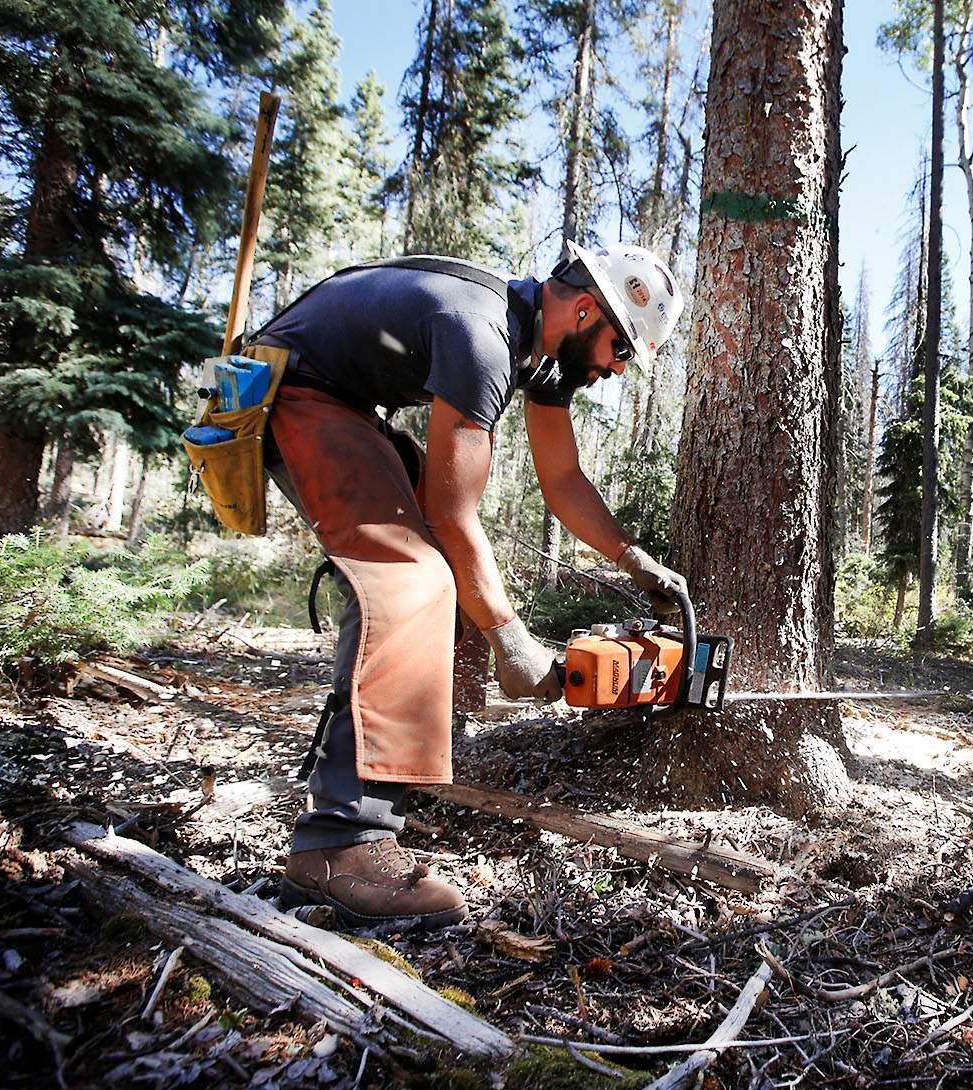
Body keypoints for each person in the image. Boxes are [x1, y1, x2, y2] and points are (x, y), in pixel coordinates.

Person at [253, 241, 689, 927]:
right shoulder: (481, 333)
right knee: (412, 580)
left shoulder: (541, 352)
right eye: (620, 350)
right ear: (584, 310)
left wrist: (631, 556)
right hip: (297, 393)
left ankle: (405, 775)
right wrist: (513, 644)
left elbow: (564, 480)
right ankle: (340, 843)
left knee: (440, 579)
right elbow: (451, 516)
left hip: (344, 401)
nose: (613, 369)